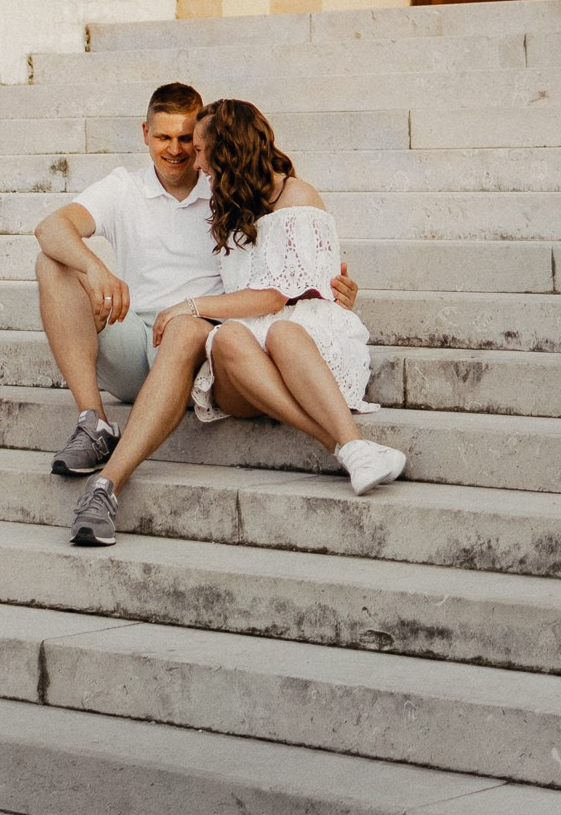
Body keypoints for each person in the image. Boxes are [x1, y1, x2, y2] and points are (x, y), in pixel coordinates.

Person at [33, 82, 360, 545]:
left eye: (188, 139)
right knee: (53, 262)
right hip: (135, 339)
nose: (177, 150)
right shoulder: (124, 186)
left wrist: (329, 288)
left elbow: (285, 268)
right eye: (163, 137)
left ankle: (107, 486)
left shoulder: (229, 188)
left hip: (203, 344)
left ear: (204, 142)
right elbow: (50, 227)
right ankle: (93, 422)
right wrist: (94, 267)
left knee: (186, 328)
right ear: (145, 133)